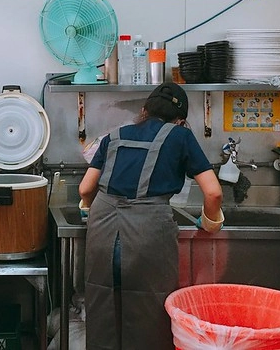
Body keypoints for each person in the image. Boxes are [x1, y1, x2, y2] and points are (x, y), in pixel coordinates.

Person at [78, 82, 223, 350]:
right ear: (180, 120)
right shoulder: (180, 137)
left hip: (102, 227)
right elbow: (213, 193)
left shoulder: (114, 135)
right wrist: (211, 222)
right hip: (148, 230)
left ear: (144, 110)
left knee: (102, 306)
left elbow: (85, 188)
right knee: (149, 310)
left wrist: (86, 207)